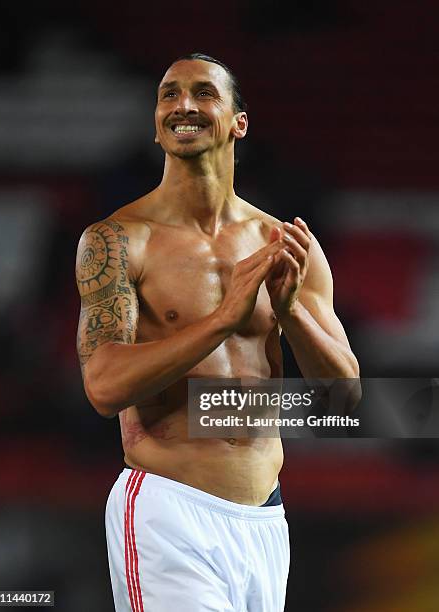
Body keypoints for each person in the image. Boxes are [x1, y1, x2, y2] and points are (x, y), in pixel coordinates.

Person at [75, 53, 360, 612]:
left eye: (203, 93)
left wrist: (290, 309)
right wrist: (222, 319)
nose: (183, 105)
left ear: (238, 121)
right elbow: (104, 388)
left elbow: (345, 400)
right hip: (168, 508)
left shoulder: (283, 243)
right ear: (158, 124)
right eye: (168, 94)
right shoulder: (117, 241)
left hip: (264, 521)